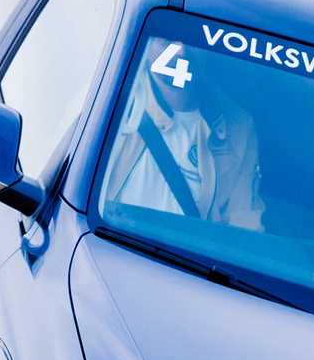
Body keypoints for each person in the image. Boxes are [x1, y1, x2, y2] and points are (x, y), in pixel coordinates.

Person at [99, 50, 263, 229]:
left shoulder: (239, 126)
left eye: (192, 38)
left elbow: (243, 223)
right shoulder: (110, 98)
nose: (181, 51)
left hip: (184, 247)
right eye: (167, 39)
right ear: (149, 44)